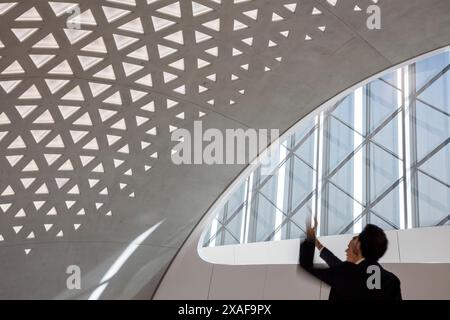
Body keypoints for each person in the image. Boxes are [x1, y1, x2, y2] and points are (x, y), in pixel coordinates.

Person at [299, 217, 402, 300]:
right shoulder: (392, 281)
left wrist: (310, 238)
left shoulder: (345, 273)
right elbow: (337, 264)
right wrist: (319, 245)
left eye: (349, 246)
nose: (346, 251)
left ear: (358, 245)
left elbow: (307, 266)